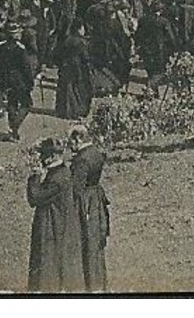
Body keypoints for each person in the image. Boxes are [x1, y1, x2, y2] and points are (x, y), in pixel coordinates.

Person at [26, 137, 84, 293]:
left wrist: (35, 176)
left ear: (51, 157)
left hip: (52, 227)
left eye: (42, 155)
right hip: (57, 225)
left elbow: (35, 198)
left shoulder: (57, 179)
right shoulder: (62, 172)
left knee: (47, 264)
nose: (40, 159)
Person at [68, 125, 109, 293]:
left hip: (86, 202)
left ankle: (89, 285)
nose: (70, 146)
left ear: (78, 138)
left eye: (71, 141)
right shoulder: (96, 153)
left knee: (86, 242)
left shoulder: (81, 159)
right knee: (96, 242)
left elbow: (76, 188)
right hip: (96, 199)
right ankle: (99, 282)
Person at [0, 22, 36, 142]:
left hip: (4, 79)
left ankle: (12, 129)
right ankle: (15, 126)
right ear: (15, 35)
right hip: (18, 79)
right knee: (27, 104)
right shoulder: (20, 49)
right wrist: (30, 82)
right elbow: (26, 67)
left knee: (12, 103)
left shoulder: (0, 47)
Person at [53, 22, 94, 121]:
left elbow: (56, 54)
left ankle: (62, 110)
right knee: (77, 89)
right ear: (79, 29)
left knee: (65, 88)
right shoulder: (81, 42)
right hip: (77, 68)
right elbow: (85, 58)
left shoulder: (65, 40)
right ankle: (75, 110)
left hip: (65, 67)